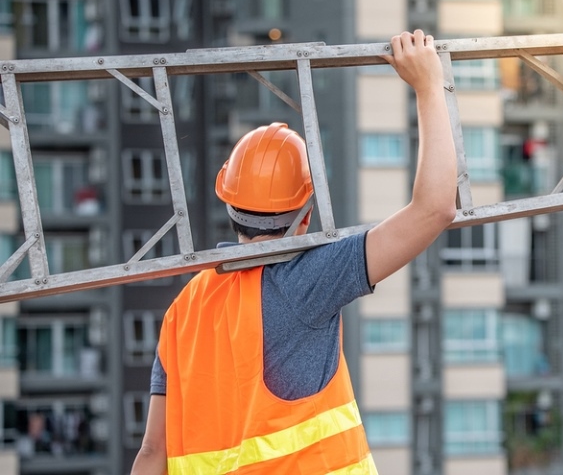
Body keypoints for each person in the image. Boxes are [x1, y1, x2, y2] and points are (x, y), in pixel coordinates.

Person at [131, 29, 457, 474]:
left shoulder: (184, 311)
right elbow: (434, 209)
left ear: (229, 204)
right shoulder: (307, 281)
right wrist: (428, 88)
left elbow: (153, 453)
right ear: (305, 215)